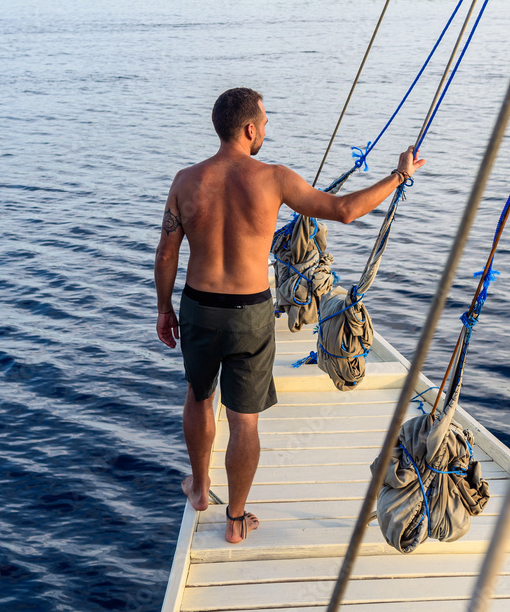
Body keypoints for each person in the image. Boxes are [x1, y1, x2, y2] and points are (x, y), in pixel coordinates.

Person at [154, 87, 425, 544]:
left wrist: (163, 309)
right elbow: (344, 211)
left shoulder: (185, 180)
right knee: (244, 420)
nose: (266, 128)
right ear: (249, 129)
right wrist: (399, 175)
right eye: (264, 120)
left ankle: (200, 490)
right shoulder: (273, 178)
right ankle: (236, 519)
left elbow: (166, 252)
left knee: (198, 397)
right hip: (249, 314)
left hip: (198, 306)